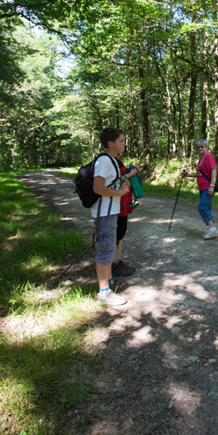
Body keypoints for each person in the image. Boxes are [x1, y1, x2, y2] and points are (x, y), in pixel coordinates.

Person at [92, 128, 132, 307]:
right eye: (121, 141)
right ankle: (104, 292)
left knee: (109, 247)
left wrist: (123, 182)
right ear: (111, 143)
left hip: (110, 211)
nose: (124, 144)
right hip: (104, 212)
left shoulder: (112, 161)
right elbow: (97, 187)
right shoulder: (103, 161)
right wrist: (119, 192)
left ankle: (108, 282)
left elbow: (109, 182)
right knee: (106, 249)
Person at [181, 139, 218, 239]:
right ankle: (213, 229)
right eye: (198, 147)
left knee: (201, 207)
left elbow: (214, 171)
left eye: (202, 146)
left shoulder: (208, 156)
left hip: (208, 187)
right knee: (207, 208)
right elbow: (199, 174)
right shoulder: (202, 158)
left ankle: (212, 229)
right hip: (202, 187)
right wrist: (187, 175)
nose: (200, 148)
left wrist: (212, 186)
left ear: (206, 147)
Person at [111, 156, 138, 278]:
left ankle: (118, 261)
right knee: (118, 232)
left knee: (121, 232)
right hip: (118, 202)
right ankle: (114, 264)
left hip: (122, 201)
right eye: (120, 141)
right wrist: (131, 174)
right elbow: (118, 178)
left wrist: (130, 170)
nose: (123, 144)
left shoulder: (115, 158)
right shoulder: (111, 159)